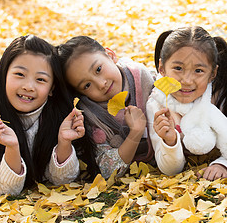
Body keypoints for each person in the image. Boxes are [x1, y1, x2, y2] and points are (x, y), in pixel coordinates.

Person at [0, 35, 86, 196]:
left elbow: (63, 180)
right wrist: (12, 148)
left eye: (41, 79)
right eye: (20, 75)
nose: (28, 86)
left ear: (51, 89)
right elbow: (7, 190)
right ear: (4, 75)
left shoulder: (60, 113)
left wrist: (64, 142)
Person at [147, 26, 227, 181]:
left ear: (212, 74)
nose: (187, 80)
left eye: (198, 71)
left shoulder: (218, 96)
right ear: (162, 68)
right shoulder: (157, 105)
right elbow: (169, 170)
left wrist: (224, 163)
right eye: (178, 68)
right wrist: (170, 141)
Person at [57, 36, 155, 179]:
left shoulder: (143, 78)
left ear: (110, 55)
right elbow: (107, 170)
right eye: (87, 85)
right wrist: (135, 134)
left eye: (98, 69)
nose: (101, 83)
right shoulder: (91, 117)